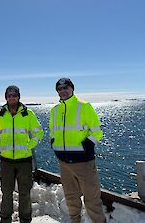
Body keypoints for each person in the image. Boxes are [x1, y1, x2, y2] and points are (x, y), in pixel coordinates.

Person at [49, 78, 106, 223]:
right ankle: (75, 221)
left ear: (72, 89)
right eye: (60, 89)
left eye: (65, 88)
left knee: (92, 199)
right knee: (71, 197)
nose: (63, 91)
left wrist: (87, 145)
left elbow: (97, 132)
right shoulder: (54, 110)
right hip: (64, 163)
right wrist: (54, 144)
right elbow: (52, 132)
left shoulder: (84, 106)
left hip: (84, 162)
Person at [0, 85, 44, 223]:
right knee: (6, 193)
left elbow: (39, 132)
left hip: (24, 161)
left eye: (14, 95)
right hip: (6, 161)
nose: (12, 98)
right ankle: (5, 219)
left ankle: (25, 219)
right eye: (9, 96)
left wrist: (29, 145)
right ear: (6, 98)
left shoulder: (28, 114)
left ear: (19, 97)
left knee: (24, 193)